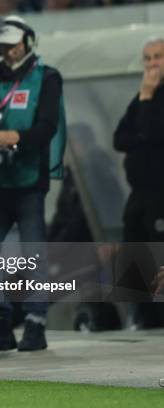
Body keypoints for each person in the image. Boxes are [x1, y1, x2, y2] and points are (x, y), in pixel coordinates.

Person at [0, 16, 65, 353]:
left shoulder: (47, 77)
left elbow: (48, 126)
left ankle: (35, 322)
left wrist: (18, 137)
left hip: (28, 178)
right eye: (2, 45)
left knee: (32, 254)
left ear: (28, 41)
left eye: (13, 44)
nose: (8, 51)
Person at [113, 36, 164, 328]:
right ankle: (142, 317)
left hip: (160, 194)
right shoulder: (142, 97)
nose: (152, 64)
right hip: (139, 194)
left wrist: (146, 99)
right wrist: (142, 137)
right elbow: (119, 139)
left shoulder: (149, 95)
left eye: (157, 57)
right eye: (147, 58)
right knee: (134, 252)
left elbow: (155, 132)